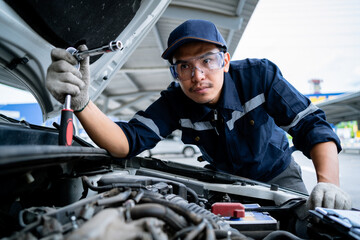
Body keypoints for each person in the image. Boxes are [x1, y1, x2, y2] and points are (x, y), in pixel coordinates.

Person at [46, 19, 351, 210]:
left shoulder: (260, 76)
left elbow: (312, 125)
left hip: (280, 178)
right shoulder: (175, 101)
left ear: (226, 60)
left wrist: (329, 183)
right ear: (175, 72)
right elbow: (128, 141)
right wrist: (83, 103)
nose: (198, 75)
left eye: (208, 60)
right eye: (185, 66)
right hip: (225, 184)